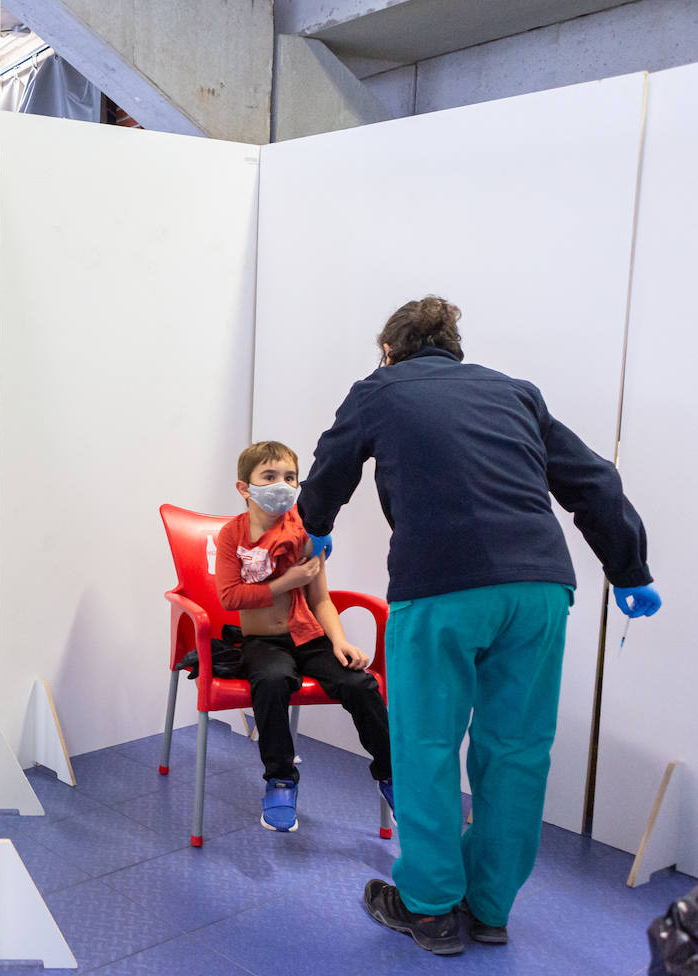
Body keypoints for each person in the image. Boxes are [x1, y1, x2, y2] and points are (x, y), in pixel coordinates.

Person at [299, 296, 661, 955]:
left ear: (388, 349)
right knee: (518, 751)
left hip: (439, 588)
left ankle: (430, 909)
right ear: (456, 348)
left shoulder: (379, 388)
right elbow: (594, 481)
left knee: (427, 746)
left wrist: (315, 529)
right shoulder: (515, 393)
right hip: (539, 590)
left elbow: (331, 464)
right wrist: (630, 569)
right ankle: (490, 908)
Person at [215, 441, 394, 832]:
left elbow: (322, 599)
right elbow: (229, 596)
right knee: (273, 681)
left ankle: (392, 774)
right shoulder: (233, 536)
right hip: (263, 640)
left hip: (308, 636)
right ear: (244, 487)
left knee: (360, 684)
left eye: (289, 477)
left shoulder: (306, 532)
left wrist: (340, 641)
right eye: (269, 477)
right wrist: (287, 581)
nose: (281, 484)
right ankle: (280, 780)